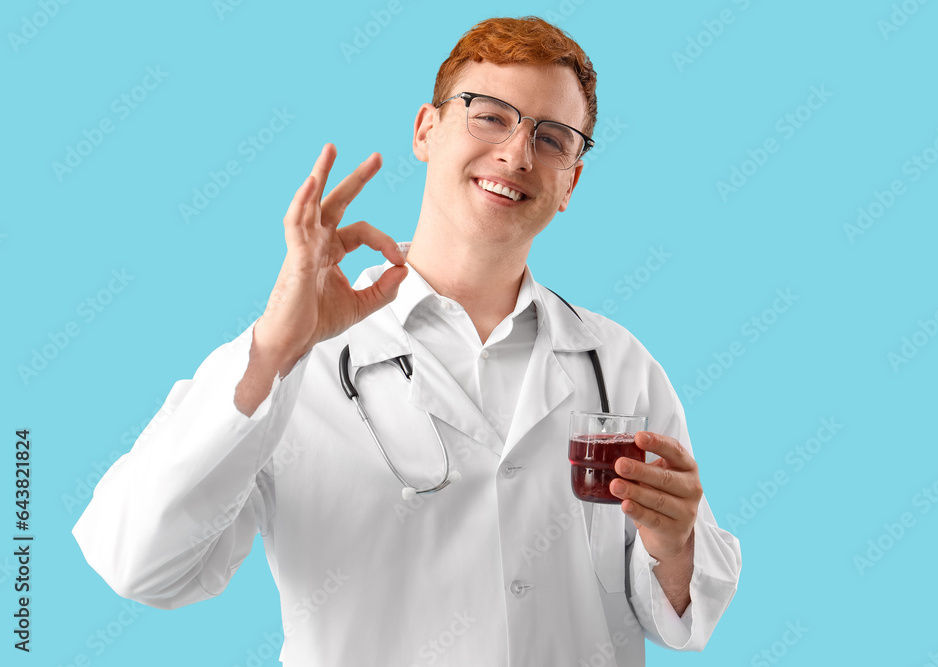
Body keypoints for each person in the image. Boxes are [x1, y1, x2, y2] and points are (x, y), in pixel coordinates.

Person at [73, 16, 740, 666]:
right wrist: (275, 346)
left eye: (552, 137)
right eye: (490, 114)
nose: (516, 153)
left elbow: (687, 616)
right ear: (426, 129)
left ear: (571, 181)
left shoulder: (619, 368)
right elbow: (139, 563)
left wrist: (674, 543)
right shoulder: (295, 361)